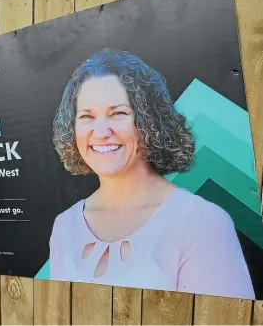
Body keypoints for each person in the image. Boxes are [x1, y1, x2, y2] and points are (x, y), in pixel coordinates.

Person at [49, 48, 255, 300]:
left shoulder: (202, 223)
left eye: (118, 114)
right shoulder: (65, 226)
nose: (101, 131)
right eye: (86, 116)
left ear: (150, 122)